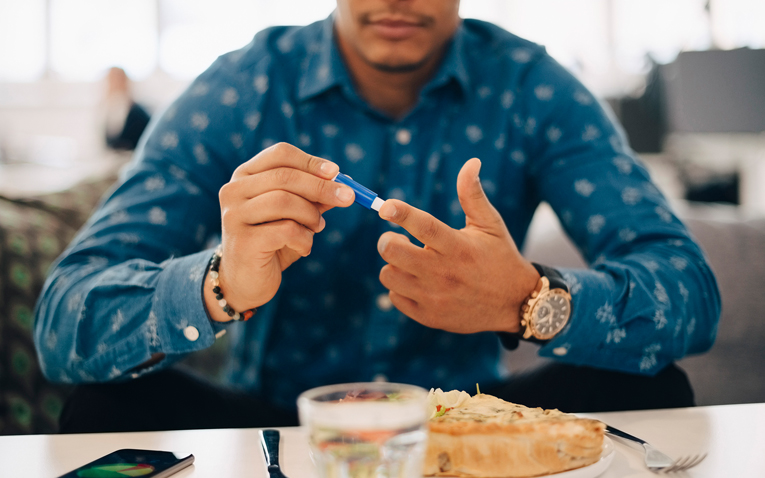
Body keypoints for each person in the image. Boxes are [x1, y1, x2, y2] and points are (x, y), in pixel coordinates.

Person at [35, 0, 720, 433]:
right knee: (103, 409)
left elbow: (689, 291)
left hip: (467, 420)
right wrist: (219, 284)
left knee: (650, 384)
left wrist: (529, 300)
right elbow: (65, 321)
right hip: (275, 422)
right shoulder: (243, 85)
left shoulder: (530, 86)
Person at [102, 67, 151, 151]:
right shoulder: (108, 109)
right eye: (111, 80)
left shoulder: (137, 111)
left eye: (117, 79)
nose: (114, 83)